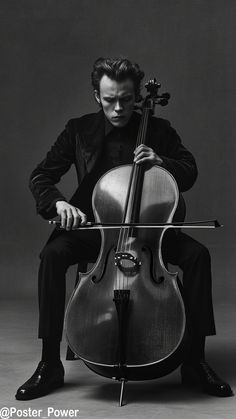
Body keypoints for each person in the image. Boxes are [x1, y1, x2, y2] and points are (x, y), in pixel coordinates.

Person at [15, 57, 233, 400]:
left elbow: (189, 171)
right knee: (53, 254)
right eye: (109, 100)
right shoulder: (78, 129)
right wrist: (59, 204)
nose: (118, 108)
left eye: (127, 100)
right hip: (94, 228)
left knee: (198, 256)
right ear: (96, 97)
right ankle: (48, 365)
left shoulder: (159, 131)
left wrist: (163, 162)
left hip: (150, 231)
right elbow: (41, 176)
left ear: (136, 97)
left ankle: (194, 361)